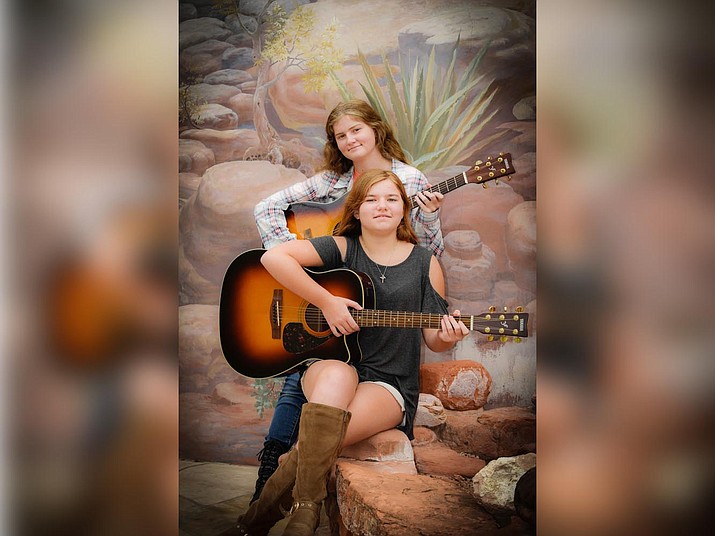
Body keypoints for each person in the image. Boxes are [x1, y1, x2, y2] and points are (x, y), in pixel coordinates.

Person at [223, 169, 468, 536]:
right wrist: (326, 302)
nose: (381, 206)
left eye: (391, 199)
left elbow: (435, 340)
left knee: (317, 439)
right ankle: (306, 513)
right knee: (337, 374)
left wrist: (450, 335)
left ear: (404, 209)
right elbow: (272, 259)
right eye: (371, 199)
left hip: (388, 380)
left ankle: (260, 519)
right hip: (335, 365)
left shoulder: (424, 263)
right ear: (356, 211)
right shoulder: (343, 247)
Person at [249, 99, 446, 503]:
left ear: (376, 128)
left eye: (356, 129)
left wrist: (427, 217)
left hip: (386, 295)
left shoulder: (410, 180)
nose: (350, 139)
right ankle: (273, 461)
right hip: (332, 295)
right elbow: (266, 210)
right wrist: (316, 275)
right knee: (307, 362)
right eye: (341, 135)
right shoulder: (333, 181)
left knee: (316, 373)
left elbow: (427, 252)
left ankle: (281, 490)